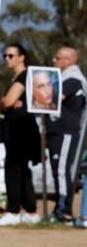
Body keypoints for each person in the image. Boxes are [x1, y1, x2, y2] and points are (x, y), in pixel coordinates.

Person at [0, 43, 41, 226]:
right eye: (5, 56)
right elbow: (5, 104)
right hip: (16, 127)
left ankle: (14, 210)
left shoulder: (24, 76)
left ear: (22, 57)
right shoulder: (18, 78)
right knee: (21, 168)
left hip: (20, 128)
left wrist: (5, 103)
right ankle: (29, 210)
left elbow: (7, 102)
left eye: (11, 55)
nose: (7, 59)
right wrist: (4, 103)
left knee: (14, 168)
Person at [46, 46, 86, 222]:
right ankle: (60, 208)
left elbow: (51, 97)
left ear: (69, 60)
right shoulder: (64, 78)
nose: (54, 60)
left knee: (62, 171)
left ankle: (64, 210)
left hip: (66, 133)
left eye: (58, 58)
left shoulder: (73, 80)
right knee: (58, 170)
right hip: (57, 131)